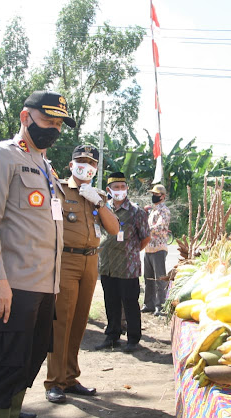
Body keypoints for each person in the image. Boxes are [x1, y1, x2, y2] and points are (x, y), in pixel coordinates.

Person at [0, 90, 74, 418]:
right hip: (12, 284)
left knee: (28, 364)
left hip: (44, 286)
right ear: (24, 116)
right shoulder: (3, 156)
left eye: (59, 123)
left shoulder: (45, 167)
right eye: (47, 120)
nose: (54, 129)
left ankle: (10, 417)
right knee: (6, 369)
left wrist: (54, 285)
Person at [43, 145, 118, 404]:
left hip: (90, 262)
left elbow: (113, 228)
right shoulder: (59, 189)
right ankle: (54, 382)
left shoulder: (96, 195)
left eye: (91, 162)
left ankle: (70, 377)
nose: (85, 166)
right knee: (60, 321)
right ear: (71, 164)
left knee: (79, 322)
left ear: (96, 168)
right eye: (81, 161)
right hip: (66, 260)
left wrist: (98, 202)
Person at [96, 172, 150, 353]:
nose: (120, 190)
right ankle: (112, 336)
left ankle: (133, 339)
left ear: (127, 188)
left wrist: (131, 252)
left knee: (130, 303)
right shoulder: (103, 209)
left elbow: (145, 238)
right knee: (110, 301)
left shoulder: (136, 211)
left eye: (123, 187)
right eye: (116, 187)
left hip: (128, 267)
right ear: (108, 190)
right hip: (107, 265)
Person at [142, 184, 171, 317]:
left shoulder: (163, 211)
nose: (153, 196)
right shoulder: (153, 211)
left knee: (160, 279)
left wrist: (145, 231)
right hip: (149, 248)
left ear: (163, 197)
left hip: (158, 248)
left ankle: (161, 306)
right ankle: (149, 304)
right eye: (153, 194)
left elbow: (159, 227)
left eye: (156, 195)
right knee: (148, 279)